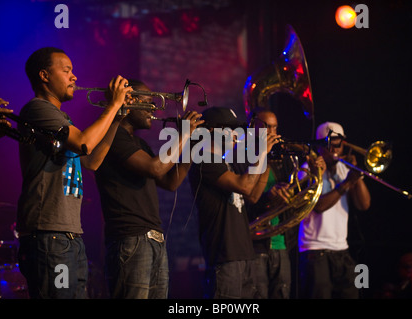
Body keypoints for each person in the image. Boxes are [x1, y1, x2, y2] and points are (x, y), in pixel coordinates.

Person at [16, 47, 132, 299]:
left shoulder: (61, 117)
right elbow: (84, 143)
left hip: (69, 235)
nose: (74, 77)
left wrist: (117, 117)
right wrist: (112, 104)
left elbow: (91, 161)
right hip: (49, 234)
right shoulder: (37, 109)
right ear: (45, 76)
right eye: (66, 70)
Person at [94, 79, 203, 299]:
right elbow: (156, 168)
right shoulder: (113, 136)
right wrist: (183, 135)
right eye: (148, 102)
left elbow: (170, 182)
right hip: (131, 238)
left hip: (152, 239)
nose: (154, 108)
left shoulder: (139, 143)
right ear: (130, 101)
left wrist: (192, 144)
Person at [188, 106, 280, 299]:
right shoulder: (203, 159)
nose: (236, 134)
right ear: (212, 131)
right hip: (224, 256)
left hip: (244, 253)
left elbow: (253, 196)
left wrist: (265, 161)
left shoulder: (227, 162)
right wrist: (261, 153)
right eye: (230, 129)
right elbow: (245, 186)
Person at [298, 121, 371, 299]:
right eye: (331, 143)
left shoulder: (344, 169)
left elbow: (364, 205)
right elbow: (320, 206)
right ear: (321, 145)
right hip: (315, 251)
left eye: (339, 143)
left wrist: (356, 175)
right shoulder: (308, 170)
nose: (335, 149)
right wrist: (346, 183)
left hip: (342, 250)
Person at [246, 108, 296, 299]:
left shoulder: (282, 160)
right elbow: (244, 199)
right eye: (266, 127)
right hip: (256, 244)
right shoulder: (244, 157)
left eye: (274, 127)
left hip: (282, 243)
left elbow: (295, 193)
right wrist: (268, 197)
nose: (272, 133)